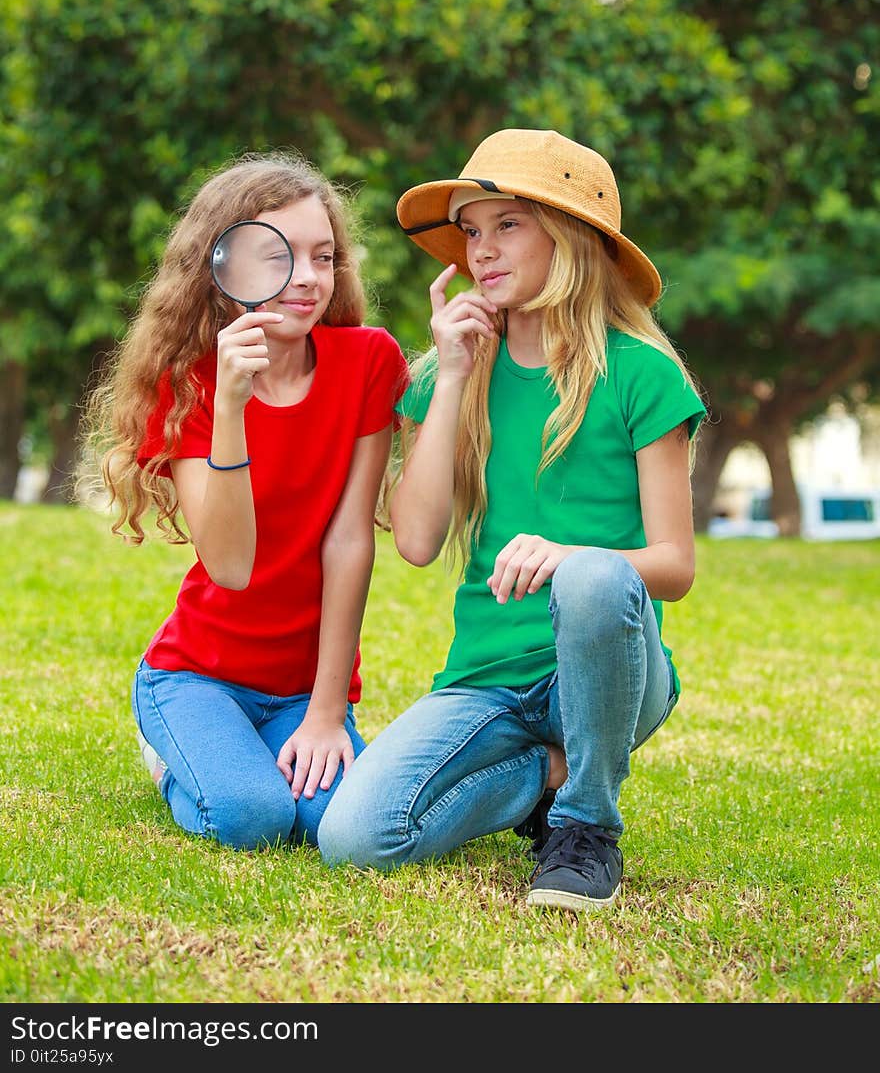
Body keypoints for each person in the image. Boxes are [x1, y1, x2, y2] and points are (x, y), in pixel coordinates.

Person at [318, 127, 706, 911]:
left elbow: (675, 564)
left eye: (507, 225)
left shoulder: (641, 373)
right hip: (488, 680)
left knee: (597, 574)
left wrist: (568, 556)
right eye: (469, 231)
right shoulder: (446, 374)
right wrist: (455, 374)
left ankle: (586, 827)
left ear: (571, 238)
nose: (479, 252)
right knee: (353, 837)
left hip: (607, 673)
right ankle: (546, 777)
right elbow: (419, 541)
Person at [81, 151, 408, 851]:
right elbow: (230, 565)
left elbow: (350, 540)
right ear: (222, 269)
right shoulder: (189, 385)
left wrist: (326, 711)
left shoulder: (370, 362)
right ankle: (172, 745)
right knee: (255, 819)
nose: (309, 279)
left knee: (330, 824)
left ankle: (264, 739)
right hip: (198, 674)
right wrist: (230, 408)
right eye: (278, 257)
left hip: (302, 688)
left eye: (324, 257)